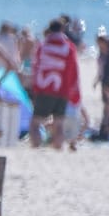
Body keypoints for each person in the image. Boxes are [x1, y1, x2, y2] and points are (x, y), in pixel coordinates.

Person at [29, 18, 80, 149]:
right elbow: (74, 70)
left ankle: (36, 147)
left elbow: (36, 67)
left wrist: (35, 87)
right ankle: (58, 147)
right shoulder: (69, 47)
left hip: (44, 89)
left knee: (35, 122)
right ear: (62, 29)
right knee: (59, 123)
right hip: (62, 90)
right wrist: (72, 89)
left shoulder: (43, 45)